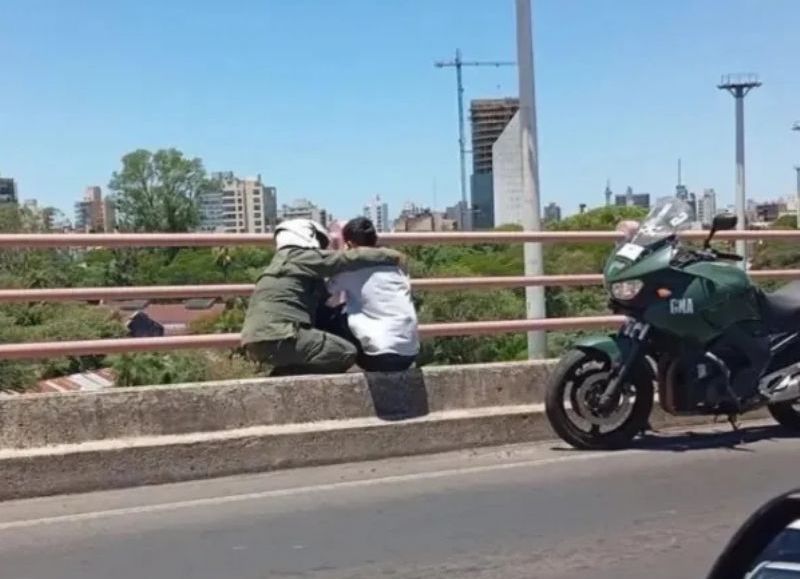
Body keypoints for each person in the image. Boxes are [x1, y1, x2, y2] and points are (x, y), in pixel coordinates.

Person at [241, 218, 405, 376]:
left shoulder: (283, 263)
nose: (321, 248)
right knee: (344, 353)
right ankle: (283, 376)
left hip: (260, 339)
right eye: (319, 241)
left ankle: (285, 374)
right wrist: (388, 255)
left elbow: (323, 304)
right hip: (281, 336)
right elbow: (344, 259)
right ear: (305, 235)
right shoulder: (299, 257)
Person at [326, 217, 419, 372]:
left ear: (349, 244)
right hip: (410, 355)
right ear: (375, 240)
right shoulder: (396, 265)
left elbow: (327, 295)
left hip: (377, 359)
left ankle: (334, 364)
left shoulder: (351, 268)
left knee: (327, 315)